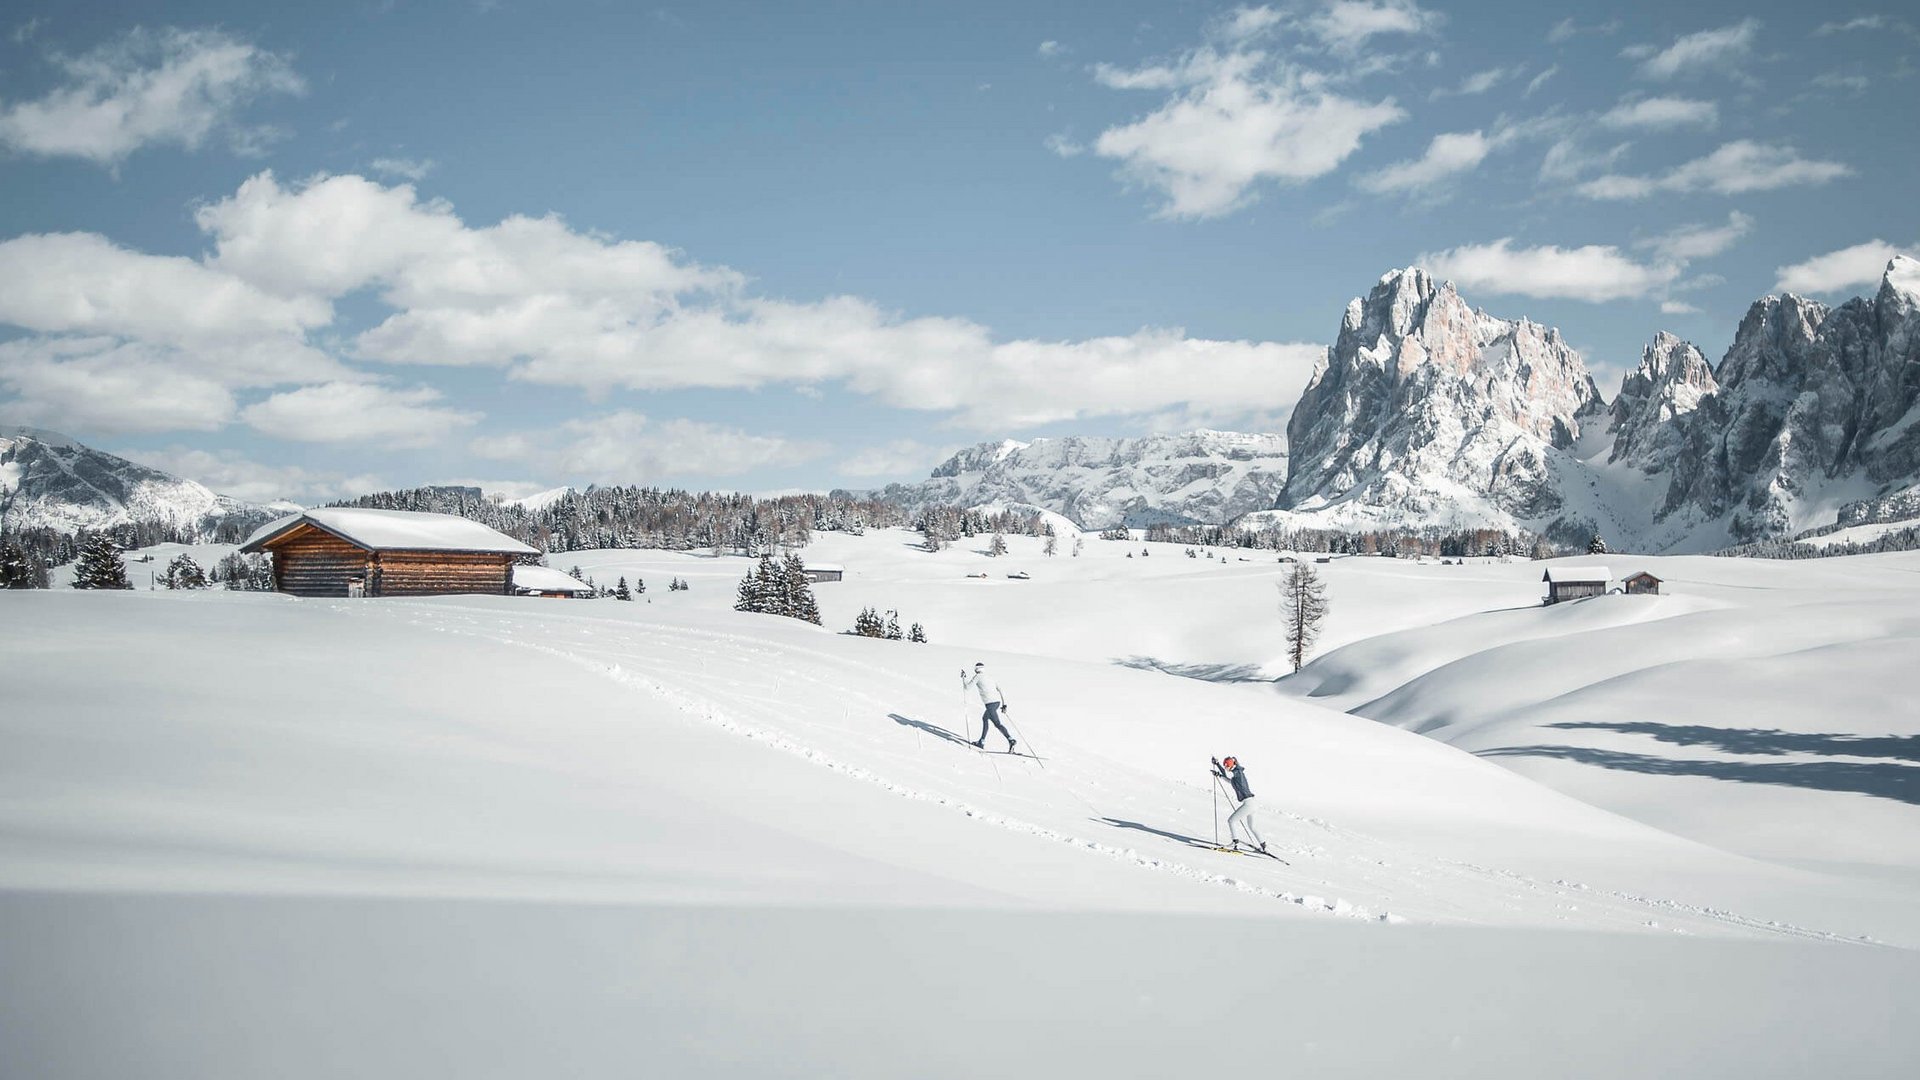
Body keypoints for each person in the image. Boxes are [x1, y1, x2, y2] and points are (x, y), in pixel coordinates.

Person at [1211, 755, 1266, 853]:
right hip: (1252, 802)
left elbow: (1228, 776)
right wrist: (1219, 775)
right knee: (1252, 826)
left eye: (1226, 766)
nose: (1225, 768)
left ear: (1230, 765)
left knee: (1231, 821)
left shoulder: (1236, 772)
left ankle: (1235, 844)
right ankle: (1263, 846)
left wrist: (1217, 764)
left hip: (1248, 804)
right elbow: (1229, 780)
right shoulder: (1236, 773)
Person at [960, 661, 1015, 752]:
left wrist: (963, 678)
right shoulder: (989, 677)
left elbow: (967, 688)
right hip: (996, 702)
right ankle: (981, 741)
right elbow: (1000, 689)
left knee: (997, 724)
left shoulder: (977, 676)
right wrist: (1004, 704)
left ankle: (1011, 740)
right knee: (985, 718)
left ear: (976, 669)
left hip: (990, 704)